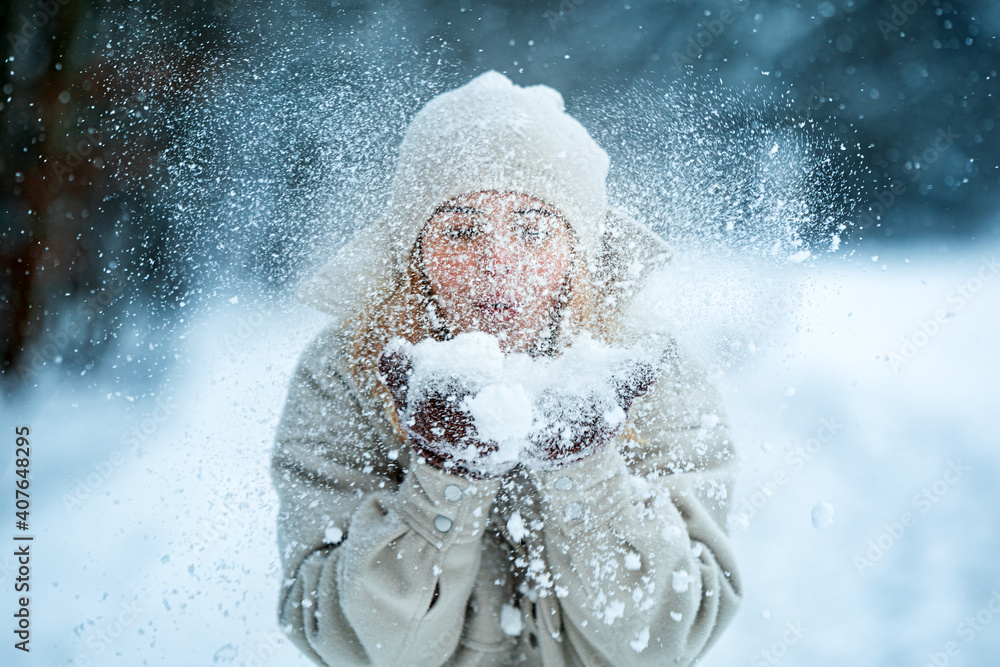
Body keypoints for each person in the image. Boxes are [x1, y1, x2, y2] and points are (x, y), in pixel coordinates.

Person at [270, 70, 741, 666]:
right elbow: (355, 645)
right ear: (415, 253)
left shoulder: (647, 368)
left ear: (578, 254)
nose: (498, 265)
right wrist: (445, 479)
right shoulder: (347, 371)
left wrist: (586, 474)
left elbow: (664, 641)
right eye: (462, 232)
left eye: (532, 231)